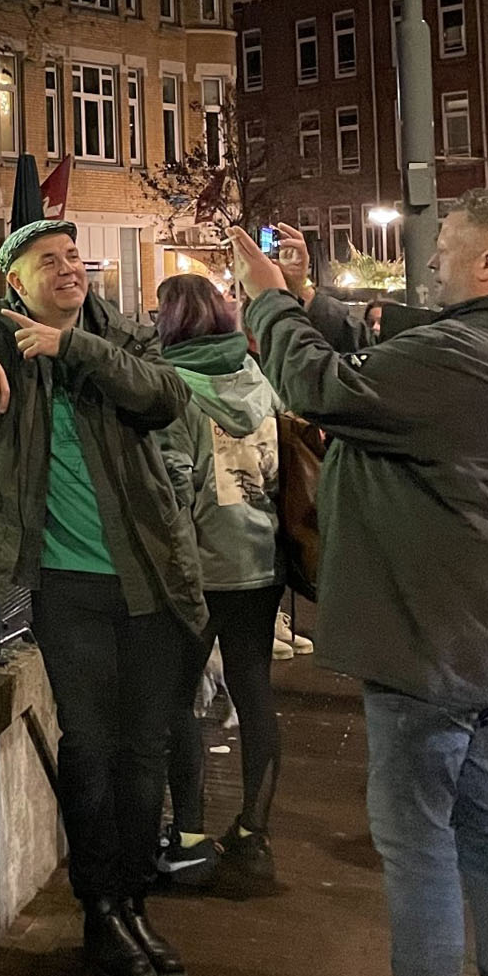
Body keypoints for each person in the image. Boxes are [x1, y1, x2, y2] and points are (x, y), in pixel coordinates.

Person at [226, 191, 488, 976]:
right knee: (487, 825)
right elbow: (376, 355)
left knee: (418, 843)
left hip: (429, 640)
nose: (430, 261)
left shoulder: (468, 352)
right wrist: (303, 298)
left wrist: (265, 299)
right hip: (483, 634)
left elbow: (320, 387)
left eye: (446, 247)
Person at [0, 219, 202, 976]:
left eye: (74, 258)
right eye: (48, 262)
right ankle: (101, 913)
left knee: (145, 750)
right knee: (91, 749)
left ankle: (132, 902)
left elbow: (165, 399)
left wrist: (73, 349)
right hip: (68, 585)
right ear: (14, 283)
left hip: (151, 573)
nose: (69, 269)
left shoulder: (120, 333)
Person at [152, 274, 284, 892]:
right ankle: (255, 833)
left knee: (177, 695)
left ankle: (190, 834)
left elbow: (174, 484)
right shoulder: (256, 376)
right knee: (254, 690)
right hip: (259, 558)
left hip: (200, 566)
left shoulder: (173, 387)